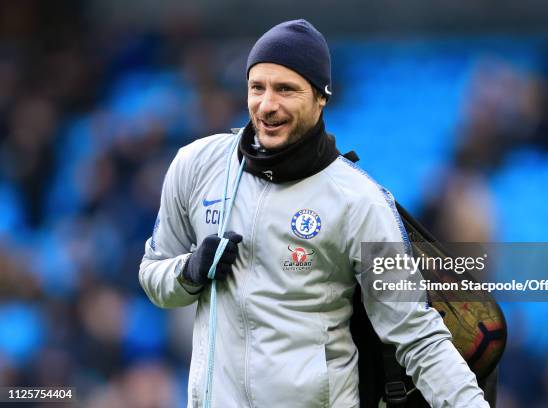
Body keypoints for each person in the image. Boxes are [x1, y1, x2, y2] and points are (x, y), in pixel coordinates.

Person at [139, 19, 489, 407]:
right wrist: (188, 272)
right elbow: (154, 276)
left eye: (285, 89)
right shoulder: (196, 165)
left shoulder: (359, 201)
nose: (267, 105)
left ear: (321, 98)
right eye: (258, 87)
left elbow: (416, 334)